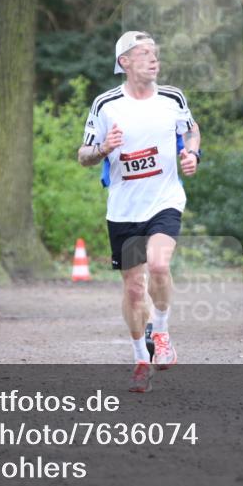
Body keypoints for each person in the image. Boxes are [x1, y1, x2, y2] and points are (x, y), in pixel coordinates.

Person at [77, 31, 201, 392]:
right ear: (124, 62)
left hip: (164, 201)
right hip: (124, 209)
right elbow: (83, 155)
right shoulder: (106, 105)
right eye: (142, 53)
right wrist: (104, 148)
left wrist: (192, 153)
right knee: (134, 290)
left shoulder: (172, 98)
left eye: (154, 53)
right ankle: (139, 360)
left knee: (159, 265)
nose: (152, 58)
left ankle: (160, 332)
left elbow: (192, 131)